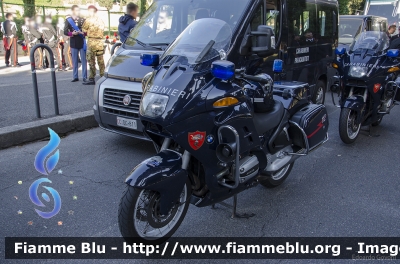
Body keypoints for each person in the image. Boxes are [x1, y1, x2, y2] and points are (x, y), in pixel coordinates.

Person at [82, 5, 105, 85]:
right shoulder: (101, 21)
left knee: (91, 61)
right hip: (99, 43)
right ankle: (103, 77)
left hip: (91, 42)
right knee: (101, 61)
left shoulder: (88, 20)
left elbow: (84, 31)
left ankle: (92, 78)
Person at [64, 5, 87, 82]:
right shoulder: (68, 20)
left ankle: (84, 76)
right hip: (73, 42)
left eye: (78, 10)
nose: (78, 11)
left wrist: (82, 33)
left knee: (84, 60)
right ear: (73, 11)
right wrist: (72, 33)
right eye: (76, 10)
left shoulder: (83, 20)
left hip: (82, 42)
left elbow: (87, 32)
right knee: (74, 60)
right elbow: (65, 31)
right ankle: (75, 76)